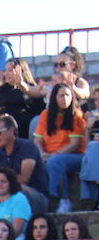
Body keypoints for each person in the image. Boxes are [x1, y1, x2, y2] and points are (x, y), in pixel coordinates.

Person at [33, 83, 85, 212]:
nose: (65, 99)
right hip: (50, 156)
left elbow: (74, 144)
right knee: (43, 163)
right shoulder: (46, 114)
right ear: (54, 98)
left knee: (55, 162)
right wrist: (41, 153)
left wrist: (54, 155)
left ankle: (62, 199)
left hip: (75, 156)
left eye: (68, 95)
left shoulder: (76, 115)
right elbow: (37, 140)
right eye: (61, 95)